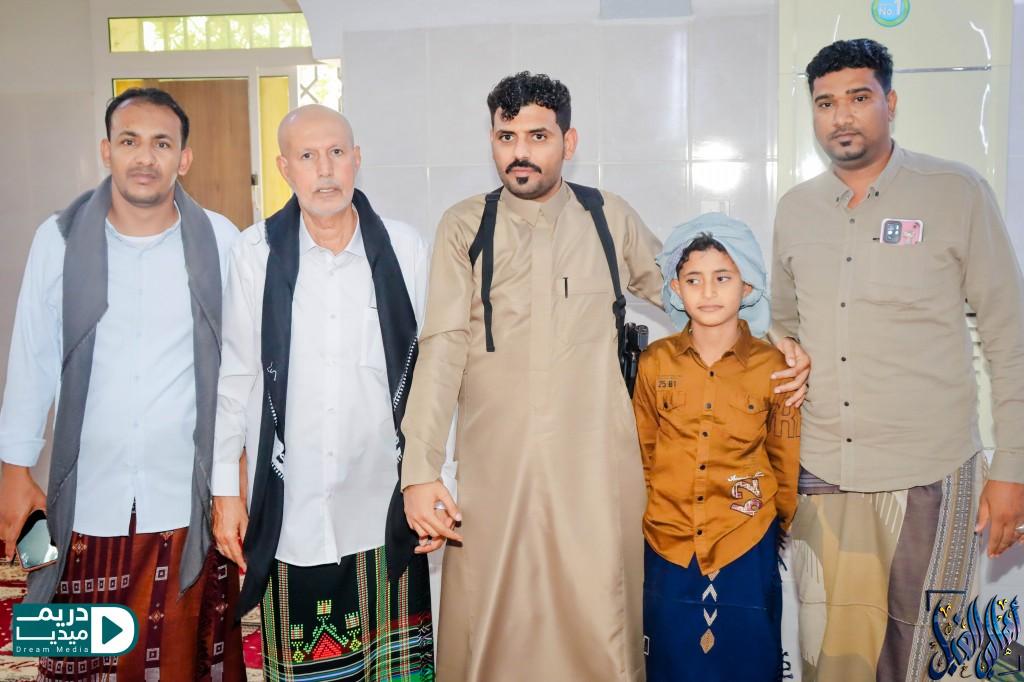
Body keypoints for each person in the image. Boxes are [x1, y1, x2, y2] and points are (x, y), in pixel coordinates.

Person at [398, 71, 810, 681]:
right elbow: (440, 349)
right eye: (506, 137)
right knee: (492, 620)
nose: (519, 152)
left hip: (595, 466)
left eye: (538, 136)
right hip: (495, 465)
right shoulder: (465, 226)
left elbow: (690, 294)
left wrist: (771, 330)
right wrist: (421, 470)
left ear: (569, 142)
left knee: (598, 618)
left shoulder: (606, 217)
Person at [771, 39, 1024, 681]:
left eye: (859, 97)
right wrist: (783, 350)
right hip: (824, 474)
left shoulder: (956, 193)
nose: (841, 116)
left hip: (930, 473)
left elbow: (1009, 336)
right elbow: (784, 325)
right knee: (831, 658)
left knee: (928, 660)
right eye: (825, 103)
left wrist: (1013, 468)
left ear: (891, 101)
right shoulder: (795, 210)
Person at [0, 88, 244, 680]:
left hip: (183, 493)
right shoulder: (58, 239)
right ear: (106, 150)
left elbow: (239, 367)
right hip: (87, 495)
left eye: (162, 143)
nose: (145, 157)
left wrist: (234, 478)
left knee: (180, 661)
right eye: (130, 141)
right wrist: (13, 470)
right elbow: (32, 356)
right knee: (78, 658)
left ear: (184, 157)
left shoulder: (220, 240)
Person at [210, 104, 435, 681]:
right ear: (285, 168)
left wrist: (436, 478)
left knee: (396, 670)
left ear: (357, 159)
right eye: (308, 156)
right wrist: (225, 491)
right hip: (294, 503)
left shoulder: (404, 248)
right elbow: (236, 376)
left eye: (336, 152)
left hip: (384, 499)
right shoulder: (254, 254)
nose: (326, 169)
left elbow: (431, 376)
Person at [634, 215, 800, 682]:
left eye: (723, 278)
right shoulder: (654, 363)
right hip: (668, 540)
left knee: (748, 659)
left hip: (746, 538)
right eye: (693, 279)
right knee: (671, 660)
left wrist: (775, 523)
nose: (708, 292)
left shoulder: (776, 367)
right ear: (675, 289)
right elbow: (643, 452)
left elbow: (784, 458)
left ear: (747, 286)